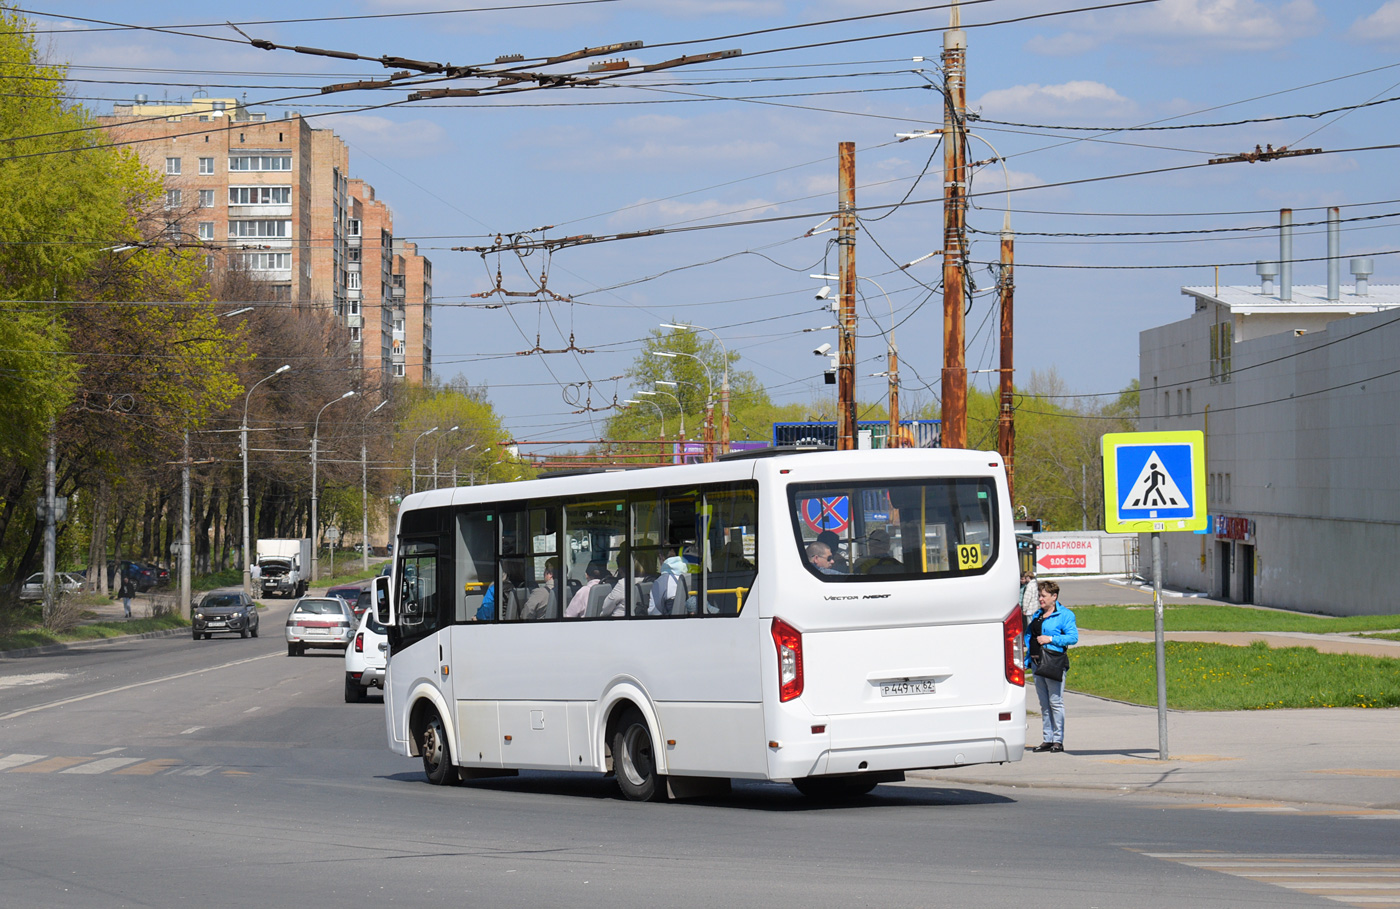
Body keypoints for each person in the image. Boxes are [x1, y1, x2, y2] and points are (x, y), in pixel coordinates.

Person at [1024, 580, 1078, 753]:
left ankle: (1058, 740)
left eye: (1044, 596)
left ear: (1054, 597)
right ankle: (1047, 739)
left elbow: (1073, 637)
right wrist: (1026, 662)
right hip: (1037, 663)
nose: (1040, 599)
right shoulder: (1037, 615)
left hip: (1053, 662)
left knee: (1055, 702)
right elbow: (1031, 639)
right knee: (1044, 704)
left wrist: (1051, 639)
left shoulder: (1065, 615)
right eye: (1039, 595)